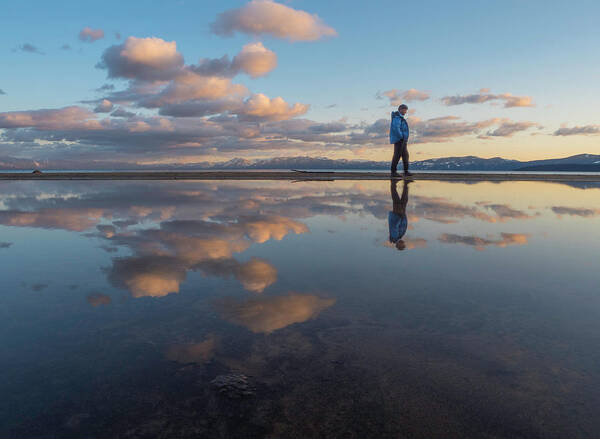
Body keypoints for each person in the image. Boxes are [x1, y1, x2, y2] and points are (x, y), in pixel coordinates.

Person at [389, 104, 412, 177]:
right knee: (397, 155)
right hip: (399, 139)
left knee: (405, 155)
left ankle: (406, 172)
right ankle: (393, 172)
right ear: (400, 109)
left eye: (406, 110)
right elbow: (396, 128)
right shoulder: (397, 118)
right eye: (404, 109)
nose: (405, 111)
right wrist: (401, 137)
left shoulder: (400, 118)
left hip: (403, 140)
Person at [388, 179, 410, 250]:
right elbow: (403, 226)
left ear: (398, 244)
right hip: (401, 214)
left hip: (398, 214)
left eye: (402, 244)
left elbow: (395, 226)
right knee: (404, 199)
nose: (404, 242)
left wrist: (400, 218)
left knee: (396, 197)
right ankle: (406, 184)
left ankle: (394, 182)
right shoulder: (399, 236)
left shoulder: (394, 236)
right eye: (404, 244)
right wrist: (404, 217)